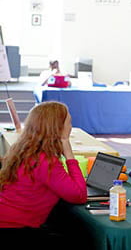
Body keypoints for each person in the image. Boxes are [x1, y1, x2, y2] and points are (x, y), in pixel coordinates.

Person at [0, 102, 87, 247]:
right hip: (15, 231)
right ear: (58, 128)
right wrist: (68, 152)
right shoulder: (46, 161)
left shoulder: (24, 150)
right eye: (69, 123)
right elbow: (79, 195)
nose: (71, 127)